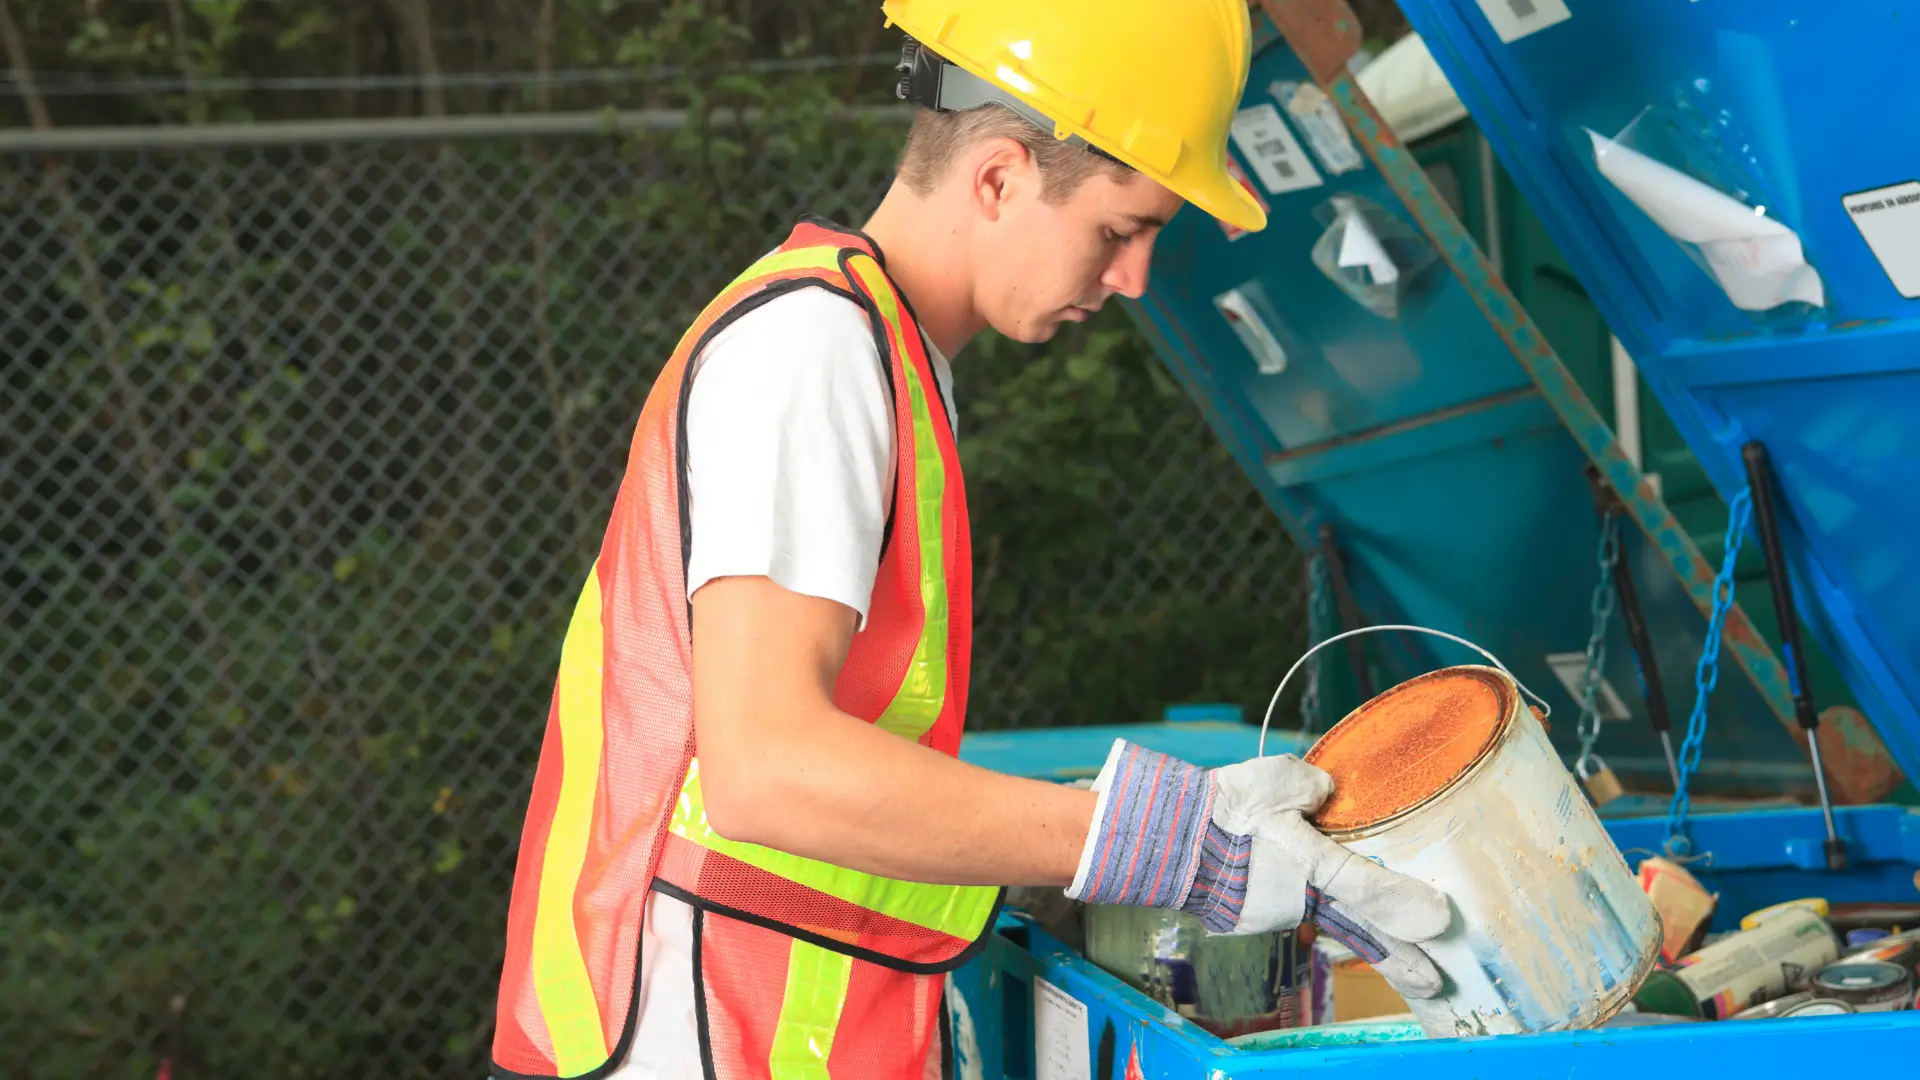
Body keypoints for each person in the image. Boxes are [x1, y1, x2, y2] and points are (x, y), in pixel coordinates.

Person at [488, 2, 1451, 1077]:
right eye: (1120, 229)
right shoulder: (816, 352)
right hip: (696, 1034)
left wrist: (1118, 838)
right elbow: (767, 766)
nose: (1133, 278)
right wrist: (1168, 846)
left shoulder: (880, 348)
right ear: (997, 177)